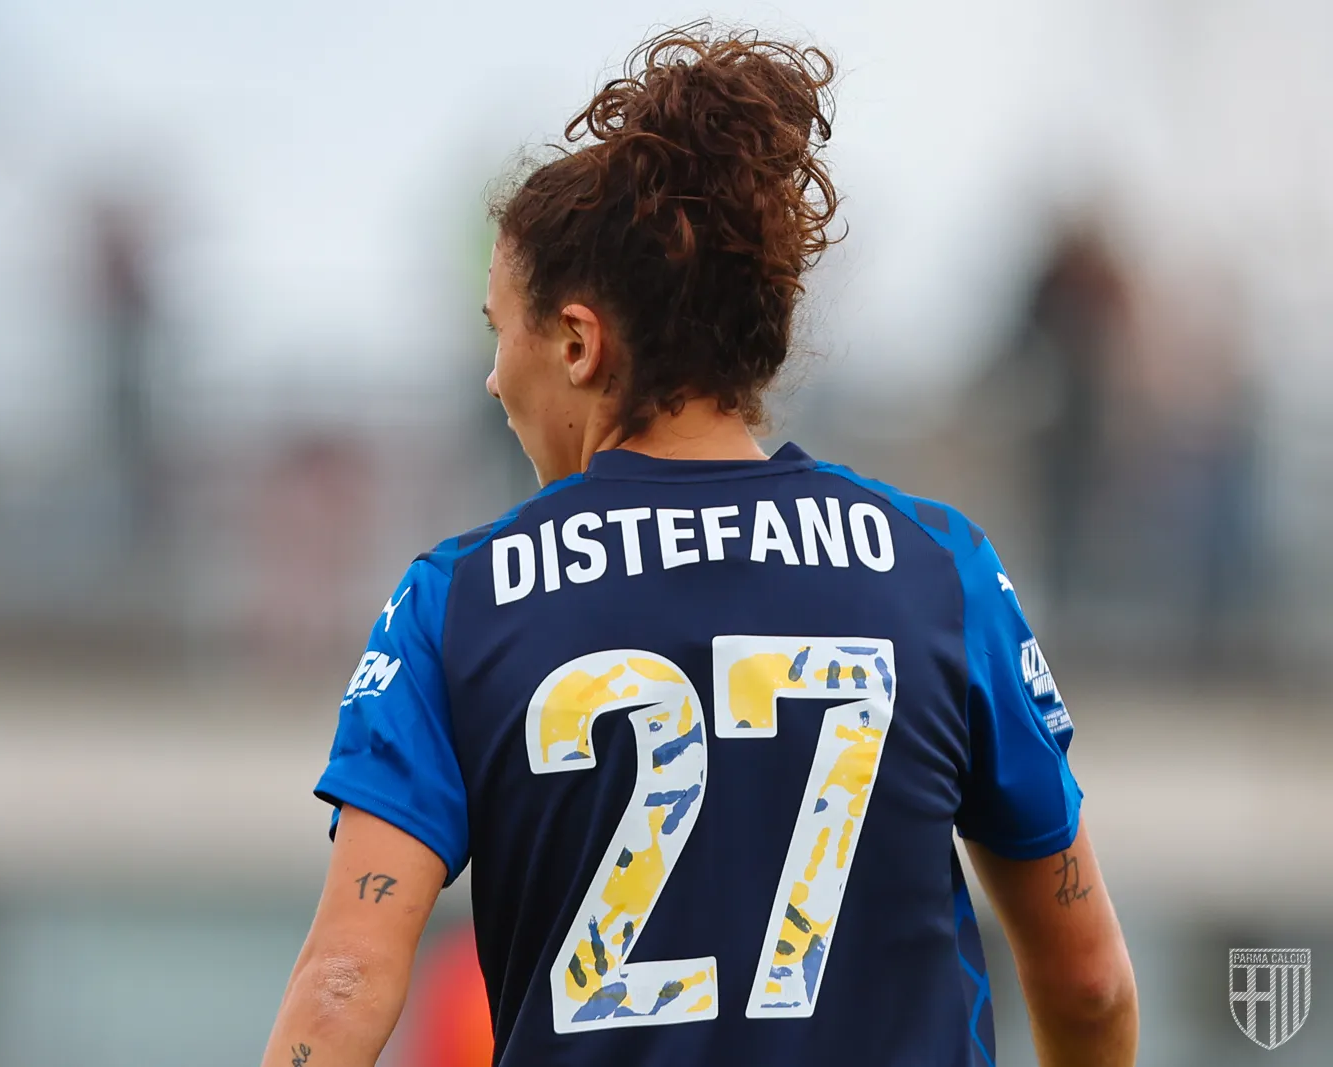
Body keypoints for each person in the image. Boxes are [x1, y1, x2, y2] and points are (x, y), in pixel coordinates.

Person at [261, 26, 1137, 1067]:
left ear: (577, 343)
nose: (493, 378)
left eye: (501, 329)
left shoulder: (458, 602)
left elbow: (344, 982)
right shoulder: (938, 570)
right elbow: (1089, 982)